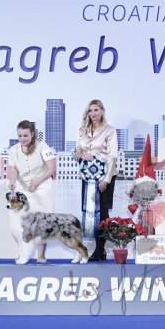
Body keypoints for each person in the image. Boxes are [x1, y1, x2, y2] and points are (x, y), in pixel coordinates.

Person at [6, 120, 57, 263]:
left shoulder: (43, 146)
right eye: (19, 136)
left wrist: (38, 181)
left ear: (32, 134)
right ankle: (22, 253)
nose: (22, 139)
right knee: (19, 223)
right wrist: (12, 182)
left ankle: (41, 256)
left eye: (25, 136)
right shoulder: (13, 150)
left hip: (42, 187)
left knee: (44, 222)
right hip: (23, 188)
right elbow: (13, 170)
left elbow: (51, 168)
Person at [73, 99, 117, 261]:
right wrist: (81, 156)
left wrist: (106, 179)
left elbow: (112, 156)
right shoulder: (82, 130)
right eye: (90, 110)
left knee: (102, 213)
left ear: (102, 111)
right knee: (88, 211)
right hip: (87, 177)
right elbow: (76, 152)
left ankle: (100, 250)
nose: (93, 113)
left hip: (105, 177)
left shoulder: (110, 130)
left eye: (96, 110)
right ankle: (95, 250)